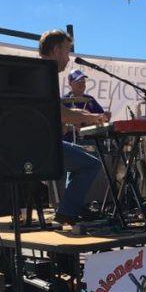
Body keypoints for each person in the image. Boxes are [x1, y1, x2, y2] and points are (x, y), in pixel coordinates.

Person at [38, 30, 106, 225]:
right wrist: (93, 117)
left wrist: (73, 122)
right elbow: (61, 113)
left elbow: (52, 115)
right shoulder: (44, 74)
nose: (68, 58)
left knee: (81, 154)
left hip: (42, 141)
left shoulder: (40, 73)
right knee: (92, 164)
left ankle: (68, 210)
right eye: (67, 51)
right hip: (42, 147)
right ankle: (67, 211)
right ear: (56, 50)